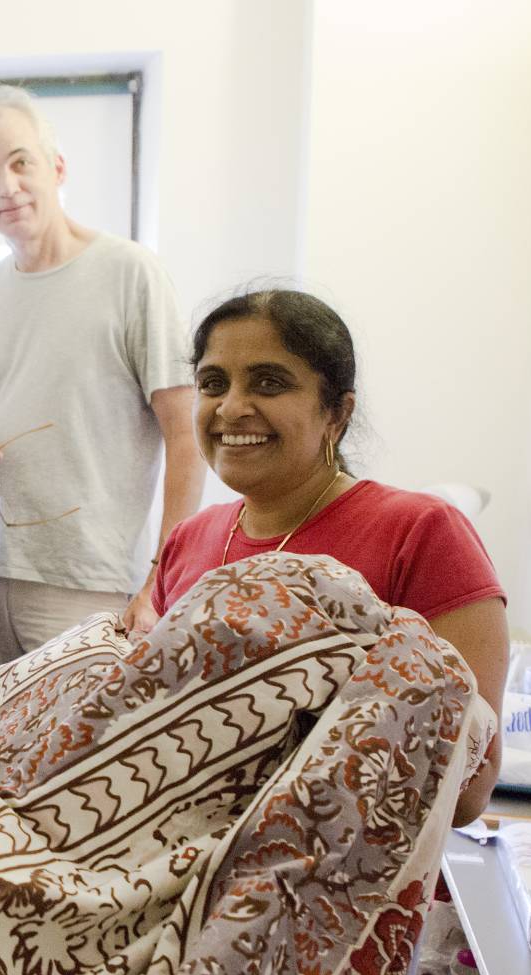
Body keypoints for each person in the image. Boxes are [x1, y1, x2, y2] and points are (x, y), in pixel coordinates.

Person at [153, 287, 505, 824]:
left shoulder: (421, 532)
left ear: (337, 412)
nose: (232, 407)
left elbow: (468, 790)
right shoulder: (189, 540)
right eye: (213, 383)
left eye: (269, 383)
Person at [0, 84, 204, 737]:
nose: (7, 186)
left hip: (92, 583)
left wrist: (161, 580)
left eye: (20, 162)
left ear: (56, 168)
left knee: (77, 766)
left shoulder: (131, 273)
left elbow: (187, 434)